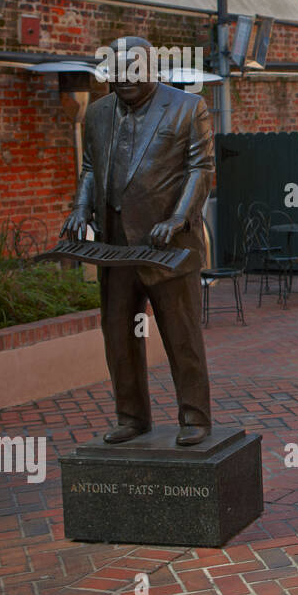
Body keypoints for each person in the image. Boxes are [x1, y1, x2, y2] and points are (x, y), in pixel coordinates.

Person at [61, 36, 215, 446]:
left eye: (134, 70)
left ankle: (195, 418)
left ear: (154, 69)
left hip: (168, 247)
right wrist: (80, 210)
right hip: (114, 248)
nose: (124, 79)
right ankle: (131, 416)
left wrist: (179, 218)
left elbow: (201, 169)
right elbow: (90, 168)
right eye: (116, 72)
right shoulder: (97, 113)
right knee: (118, 336)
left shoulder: (187, 107)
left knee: (181, 337)